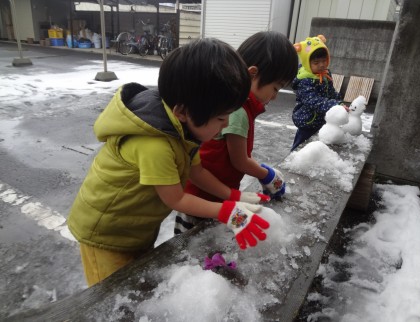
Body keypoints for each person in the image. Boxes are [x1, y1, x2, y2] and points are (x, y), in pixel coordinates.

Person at [67, 38, 272, 287]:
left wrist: (234, 196)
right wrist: (227, 212)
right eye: (220, 118)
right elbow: (176, 199)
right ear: (182, 111)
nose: (226, 125)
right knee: (113, 298)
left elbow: (197, 172)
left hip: (136, 228)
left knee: (138, 285)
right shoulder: (156, 144)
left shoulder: (183, 131)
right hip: (107, 234)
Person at [175, 31, 298, 235]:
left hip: (216, 193)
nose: (275, 97)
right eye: (275, 88)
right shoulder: (238, 110)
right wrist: (267, 175)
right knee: (192, 248)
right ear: (253, 74)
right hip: (202, 199)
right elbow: (239, 160)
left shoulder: (240, 107)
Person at [290, 34, 347, 151]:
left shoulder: (325, 75)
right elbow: (313, 101)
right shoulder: (304, 81)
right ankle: (292, 161)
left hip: (322, 121)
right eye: (316, 62)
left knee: (317, 148)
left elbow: (331, 92)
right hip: (307, 122)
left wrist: (339, 103)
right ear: (307, 63)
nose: (322, 65)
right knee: (300, 148)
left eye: (324, 61)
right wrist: (333, 105)